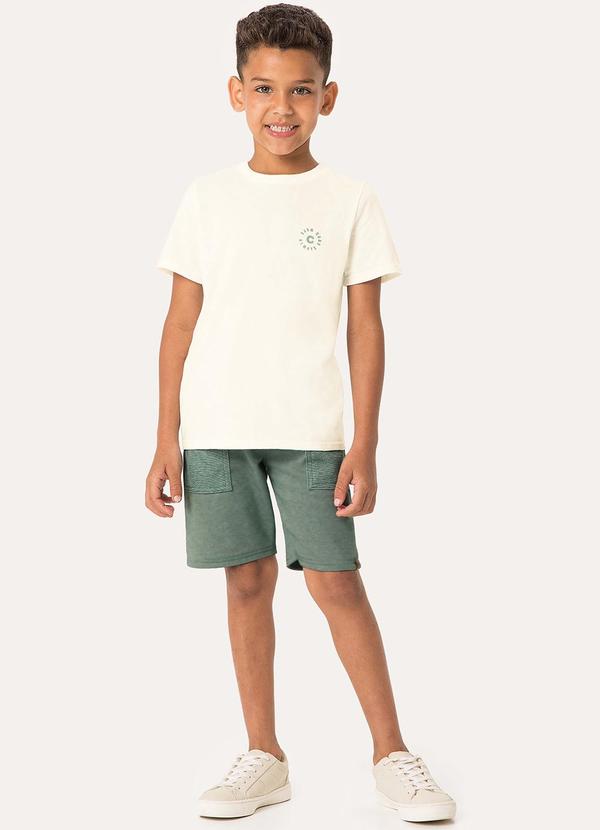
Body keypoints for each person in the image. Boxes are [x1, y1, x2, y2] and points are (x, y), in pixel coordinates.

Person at [146, 3, 456, 822]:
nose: (281, 107)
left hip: (313, 432)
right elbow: (179, 323)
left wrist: (367, 443)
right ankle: (265, 755)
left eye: (301, 90)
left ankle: (391, 752)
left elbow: (366, 327)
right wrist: (165, 438)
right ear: (235, 93)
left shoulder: (350, 200)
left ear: (329, 96)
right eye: (263, 88)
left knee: (337, 584)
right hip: (216, 430)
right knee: (245, 583)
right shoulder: (206, 198)